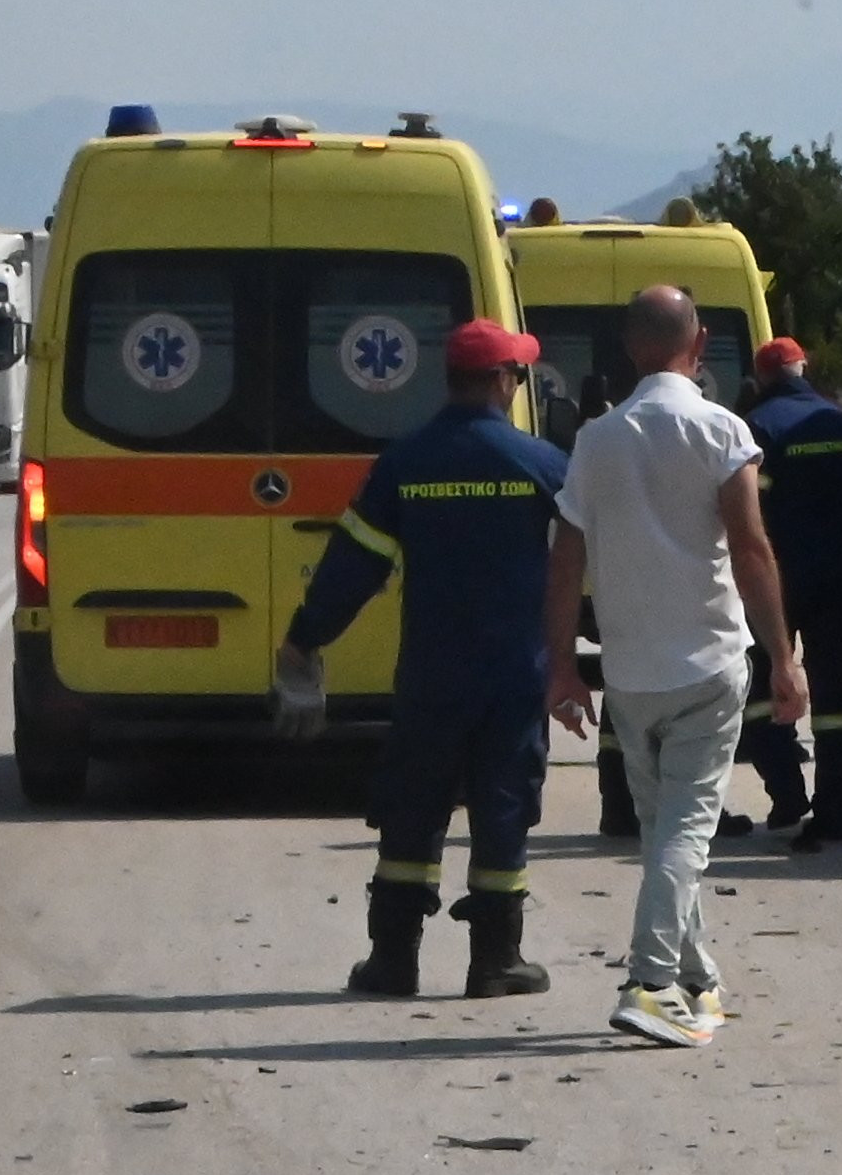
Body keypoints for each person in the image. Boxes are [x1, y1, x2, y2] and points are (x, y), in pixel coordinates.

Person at [271, 321, 573, 1000]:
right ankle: (496, 960)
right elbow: (586, 566)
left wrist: (304, 639)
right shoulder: (543, 466)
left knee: (413, 806)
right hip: (512, 675)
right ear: (500, 381)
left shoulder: (406, 464)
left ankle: (392, 960)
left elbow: (352, 567)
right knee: (503, 808)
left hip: (433, 672)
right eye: (517, 375)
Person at [543, 286, 804, 1050]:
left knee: (663, 831)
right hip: (708, 664)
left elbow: (565, 560)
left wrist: (561, 665)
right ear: (699, 346)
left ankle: (696, 977)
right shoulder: (722, 431)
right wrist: (785, 658)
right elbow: (753, 552)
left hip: (629, 672)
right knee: (686, 834)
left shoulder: (596, 440)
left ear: (630, 349)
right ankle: (650, 982)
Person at [736, 337, 842, 846]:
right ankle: (836, 807)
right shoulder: (836, 422)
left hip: (781, 574)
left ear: (763, 378)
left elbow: (750, 509)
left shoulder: (760, 427)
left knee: (767, 688)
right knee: (836, 697)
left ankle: (788, 792)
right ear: (803, 368)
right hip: (839, 572)